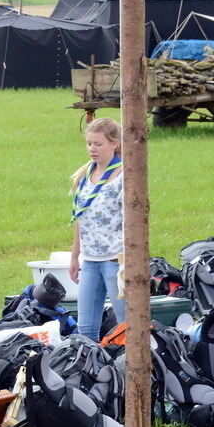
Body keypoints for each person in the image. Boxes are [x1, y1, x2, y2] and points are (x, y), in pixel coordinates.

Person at [69, 117, 125, 340]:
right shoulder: (85, 175)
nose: (92, 149)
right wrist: (75, 256)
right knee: (86, 328)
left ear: (114, 144)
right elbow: (80, 218)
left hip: (115, 260)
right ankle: (89, 368)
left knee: (126, 325)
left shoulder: (123, 176)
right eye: (89, 143)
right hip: (90, 260)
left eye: (98, 144)